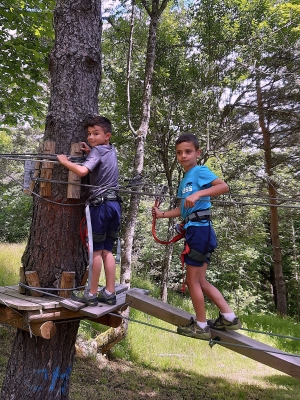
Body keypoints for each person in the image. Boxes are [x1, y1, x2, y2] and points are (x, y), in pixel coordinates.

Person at [152, 133, 240, 340]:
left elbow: (224, 186)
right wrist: (162, 214)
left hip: (200, 232)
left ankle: (201, 326)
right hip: (198, 229)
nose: (183, 156)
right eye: (179, 153)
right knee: (200, 280)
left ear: (197, 153)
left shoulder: (199, 171)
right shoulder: (185, 179)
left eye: (188, 152)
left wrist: (199, 194)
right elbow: (183, 209)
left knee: (193, 282)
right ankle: (229, 317)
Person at [57, 116, 121, 307]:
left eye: (96, 134)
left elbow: (83, 171)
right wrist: (90, 152)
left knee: (96, 251)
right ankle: (109, 292)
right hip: (115, 204)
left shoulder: (98, 151)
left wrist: (63, 161)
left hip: (100, 206)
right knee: (107, 251)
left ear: (107, 136)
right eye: (89, 134)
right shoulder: (111, 149)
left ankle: (91, 294)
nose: (91, 137)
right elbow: (100, 162)